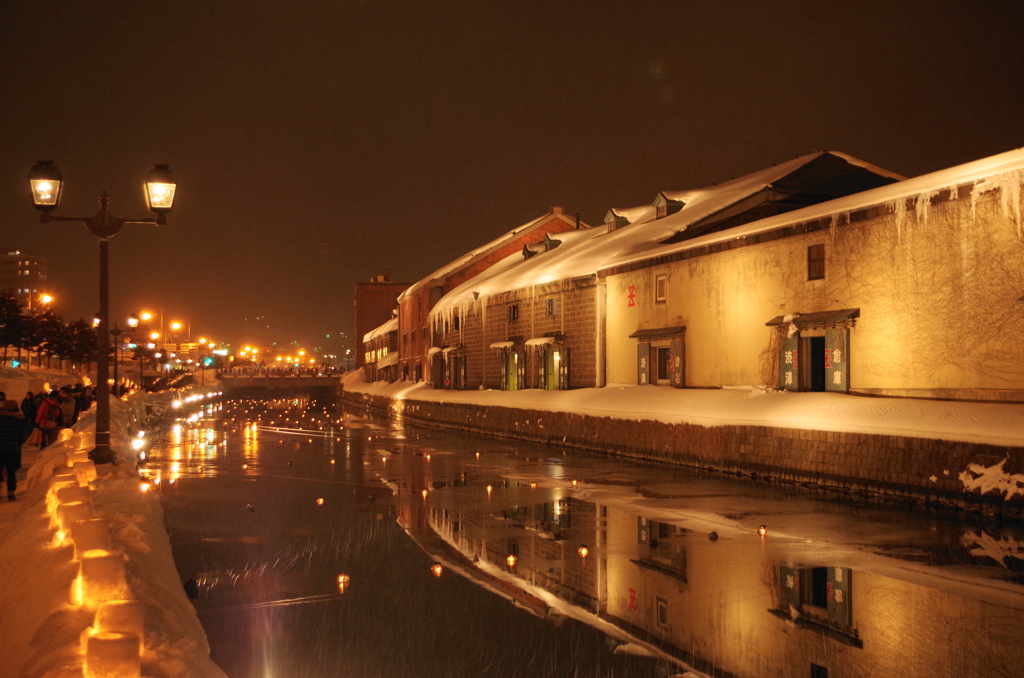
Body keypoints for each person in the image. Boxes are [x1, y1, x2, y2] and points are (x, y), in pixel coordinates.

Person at [0, 400, 25, 501]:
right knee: (11, 472)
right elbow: (22, 437)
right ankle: (11, 492)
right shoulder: (17, 421)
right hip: (12, 450)